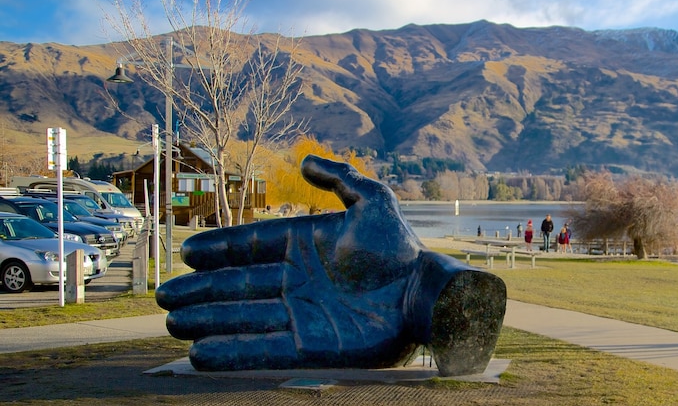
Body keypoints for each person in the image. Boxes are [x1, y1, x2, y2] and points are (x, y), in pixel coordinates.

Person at [155, 155, 507, 377]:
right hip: (384, 324)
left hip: (384, 328)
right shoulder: (385, 241)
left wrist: (414, 314)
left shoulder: (391, 322)